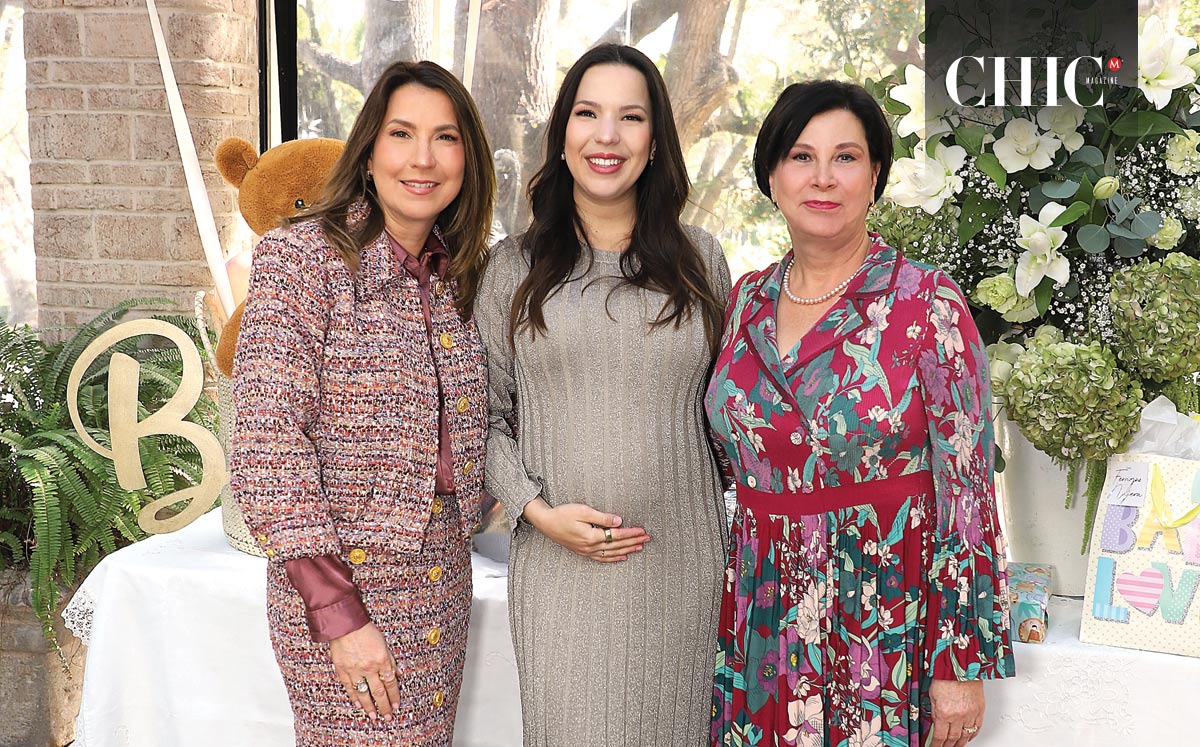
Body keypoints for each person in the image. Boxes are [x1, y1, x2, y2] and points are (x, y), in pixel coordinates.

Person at [706, 80, 1014, 747]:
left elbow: (968, 494)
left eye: (845, 157)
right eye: (800, 156)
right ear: (771, 175)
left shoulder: (927, 304)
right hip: (761, 622)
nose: (822, 177)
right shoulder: (744, 301)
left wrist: (957, 660)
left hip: (878, 623)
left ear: (876, 174)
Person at [229, 60, 495, 746]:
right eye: (401, 133)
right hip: (343, 584)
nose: (423, 158)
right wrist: (340, 615)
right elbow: (266, 443)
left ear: (468, 157)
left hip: (442, 576)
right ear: (369, 152)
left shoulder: (457, 276)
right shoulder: (301, 259)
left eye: (445, 137)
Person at [475, 44, 730, 747]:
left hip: (684, 570)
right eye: (588, 114)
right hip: (559, 574)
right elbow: (481, 417)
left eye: (631, 117)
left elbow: (732, 409)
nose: (607, 135)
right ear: (562, 137)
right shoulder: (513, 269)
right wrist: (536, 511)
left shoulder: (700, 260)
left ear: (655, 144)